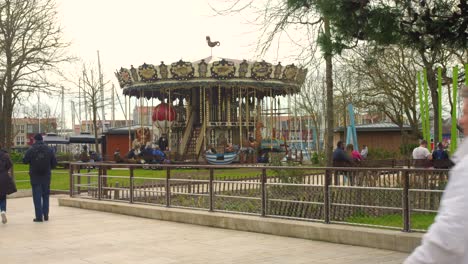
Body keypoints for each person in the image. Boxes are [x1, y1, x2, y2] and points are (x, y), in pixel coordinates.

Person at [404, 85, 468, 263]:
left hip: (418, 168)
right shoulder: (442, 154)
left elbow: (446, 243)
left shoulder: (465, 168)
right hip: (432, 168)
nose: (461, 121)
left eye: (466, 113)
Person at [23, 133, 57, 222]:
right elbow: (54, 164)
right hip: (46, 176)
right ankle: (46, 215)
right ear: (42, 140)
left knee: (37, 197)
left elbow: (25, 161)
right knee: (46, 196)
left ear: (35, 140)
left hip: (35, 177)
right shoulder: (49, 149)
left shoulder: (31, 149)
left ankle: (39, 217)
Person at [0, 147, 16, 224]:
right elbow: (10, 164)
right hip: (3, 177)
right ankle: (3, 211)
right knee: (3, 196)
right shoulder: (5, 155)